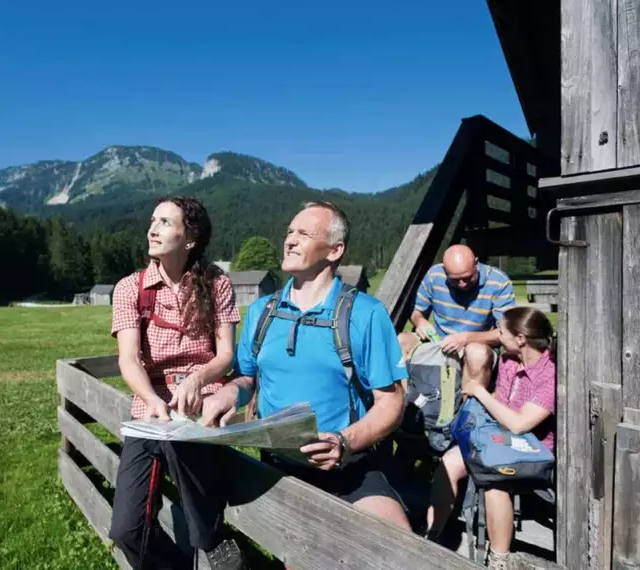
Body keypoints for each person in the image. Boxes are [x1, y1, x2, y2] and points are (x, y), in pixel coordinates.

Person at [201, 201, 412, 530]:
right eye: (289, 232)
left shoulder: (365, 314)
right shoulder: (261, 312)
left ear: (334, 250)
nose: (290, 240)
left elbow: (392, 401)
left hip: (351, 467)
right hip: (278, 467)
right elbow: (247, 378)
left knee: (397, 546)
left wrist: (344, 442)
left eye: (303, 233)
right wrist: (230, 393)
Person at [109, 195, 246, 570]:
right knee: (126, 531)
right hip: (149, 406)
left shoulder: (217, 284)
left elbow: (224, 355)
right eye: (153, 220)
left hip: (202, 398)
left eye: (165, 222)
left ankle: (211, 543)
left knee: (183, 441)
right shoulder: (129, 288)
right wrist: (152, 400)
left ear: (190, 239)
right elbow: (129, 359)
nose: (153, 228)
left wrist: (197, 380)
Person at [425, 306, 556, 570]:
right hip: (499, 439)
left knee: (495, 480)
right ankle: (433, 534)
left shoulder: (549, 374)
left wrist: (479, 391)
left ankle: (499, 559)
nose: (497, 336)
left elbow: (520, 424)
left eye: (502, 331)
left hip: (531, 449)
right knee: (449, 462)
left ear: (520, 339)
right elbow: (502, 404)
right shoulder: (509, 360)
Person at [398, 244, 516, 392]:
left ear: (476, 264)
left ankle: (468, 409)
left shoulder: (498, 282)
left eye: (467, 278)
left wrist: (466, 338)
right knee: (401, 341)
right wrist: (420, 321)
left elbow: (507, 332)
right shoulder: (434, 276)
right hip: (439, 341)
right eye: (455, 280)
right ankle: (404, 403)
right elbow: (417, 311)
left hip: (477, 343)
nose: (462, 284)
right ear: (444, 271)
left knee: (477, 353)